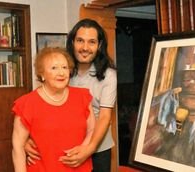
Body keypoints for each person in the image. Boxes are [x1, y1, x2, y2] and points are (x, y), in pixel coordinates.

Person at [25, 18, 117, 172]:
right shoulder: (62, 70)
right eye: (80, 40)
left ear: (99, 45)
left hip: (98, 147)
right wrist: (27, 139)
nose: (85, 47)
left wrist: (89, 148)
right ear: (72, 42)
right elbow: (40, 105)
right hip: (64, 146)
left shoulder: (109, 75)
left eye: (92, 42)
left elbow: (104, 117)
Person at [12, 47, 95, 172]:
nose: (61, 73)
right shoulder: (26, 104)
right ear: (42, 74)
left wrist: (83, 151)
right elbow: (17, 147)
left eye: (64, 67)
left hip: (80, 168)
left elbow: (92, 129)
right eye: (54, 68)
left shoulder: (82, 97)